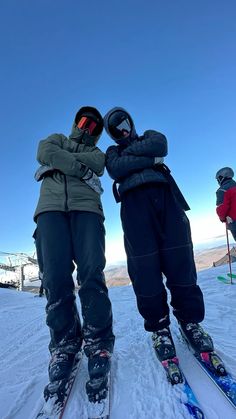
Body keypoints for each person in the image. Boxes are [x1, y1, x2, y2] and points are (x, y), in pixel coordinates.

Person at [104, 107, 213, 363]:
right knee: (144, 267)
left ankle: (190, 321)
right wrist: (150, 160)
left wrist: (138, 155)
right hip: (134, 207)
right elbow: (116, 169)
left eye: (124, 122)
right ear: (111, 134)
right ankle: (159, 327)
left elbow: (161, 144)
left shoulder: (150, 137)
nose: (122, 128)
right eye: (115, 127)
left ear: (130, 121)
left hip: (166, 198)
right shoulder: (112, 152)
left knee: (181, 259)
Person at [33, 106, 115, 402]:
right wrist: (78, 167)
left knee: (92, 274)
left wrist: (62, 163)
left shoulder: (99, 154)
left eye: (95, 127)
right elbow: (44, 152)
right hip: (50, 212)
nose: (88, 128)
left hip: (87, 211)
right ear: (75, 122)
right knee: (55, 279)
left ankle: (98, 342)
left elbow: (97, 163)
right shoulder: (55, 139)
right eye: (84, 122)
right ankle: (65, 346)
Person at [215, 167, 236, 241]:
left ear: (222, 177)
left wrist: (222, 219)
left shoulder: (222, 190)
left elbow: (222, 209)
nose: (218, 181)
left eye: (218, 179)